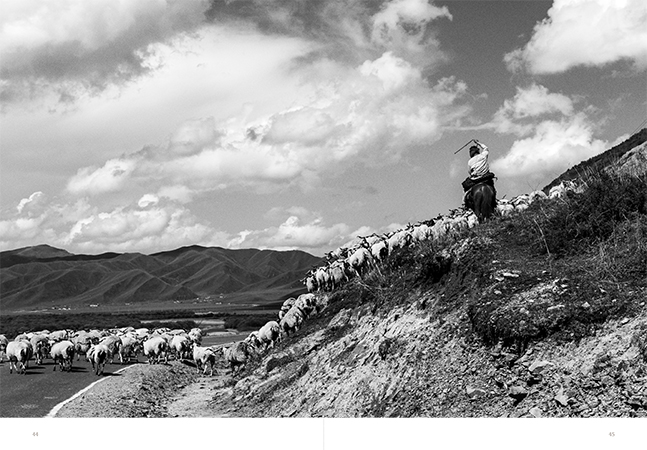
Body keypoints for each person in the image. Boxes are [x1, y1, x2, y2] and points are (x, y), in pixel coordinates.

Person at [462, 141, 497, 211]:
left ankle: (465, 204)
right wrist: (478, 143)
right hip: (486, 177)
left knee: (465, 186)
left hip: (475, 179)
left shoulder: (470, 161)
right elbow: (486, 148)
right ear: (478, 151)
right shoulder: (483, 155)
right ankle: (494, 201)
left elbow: (469, 172)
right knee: (493, 189)